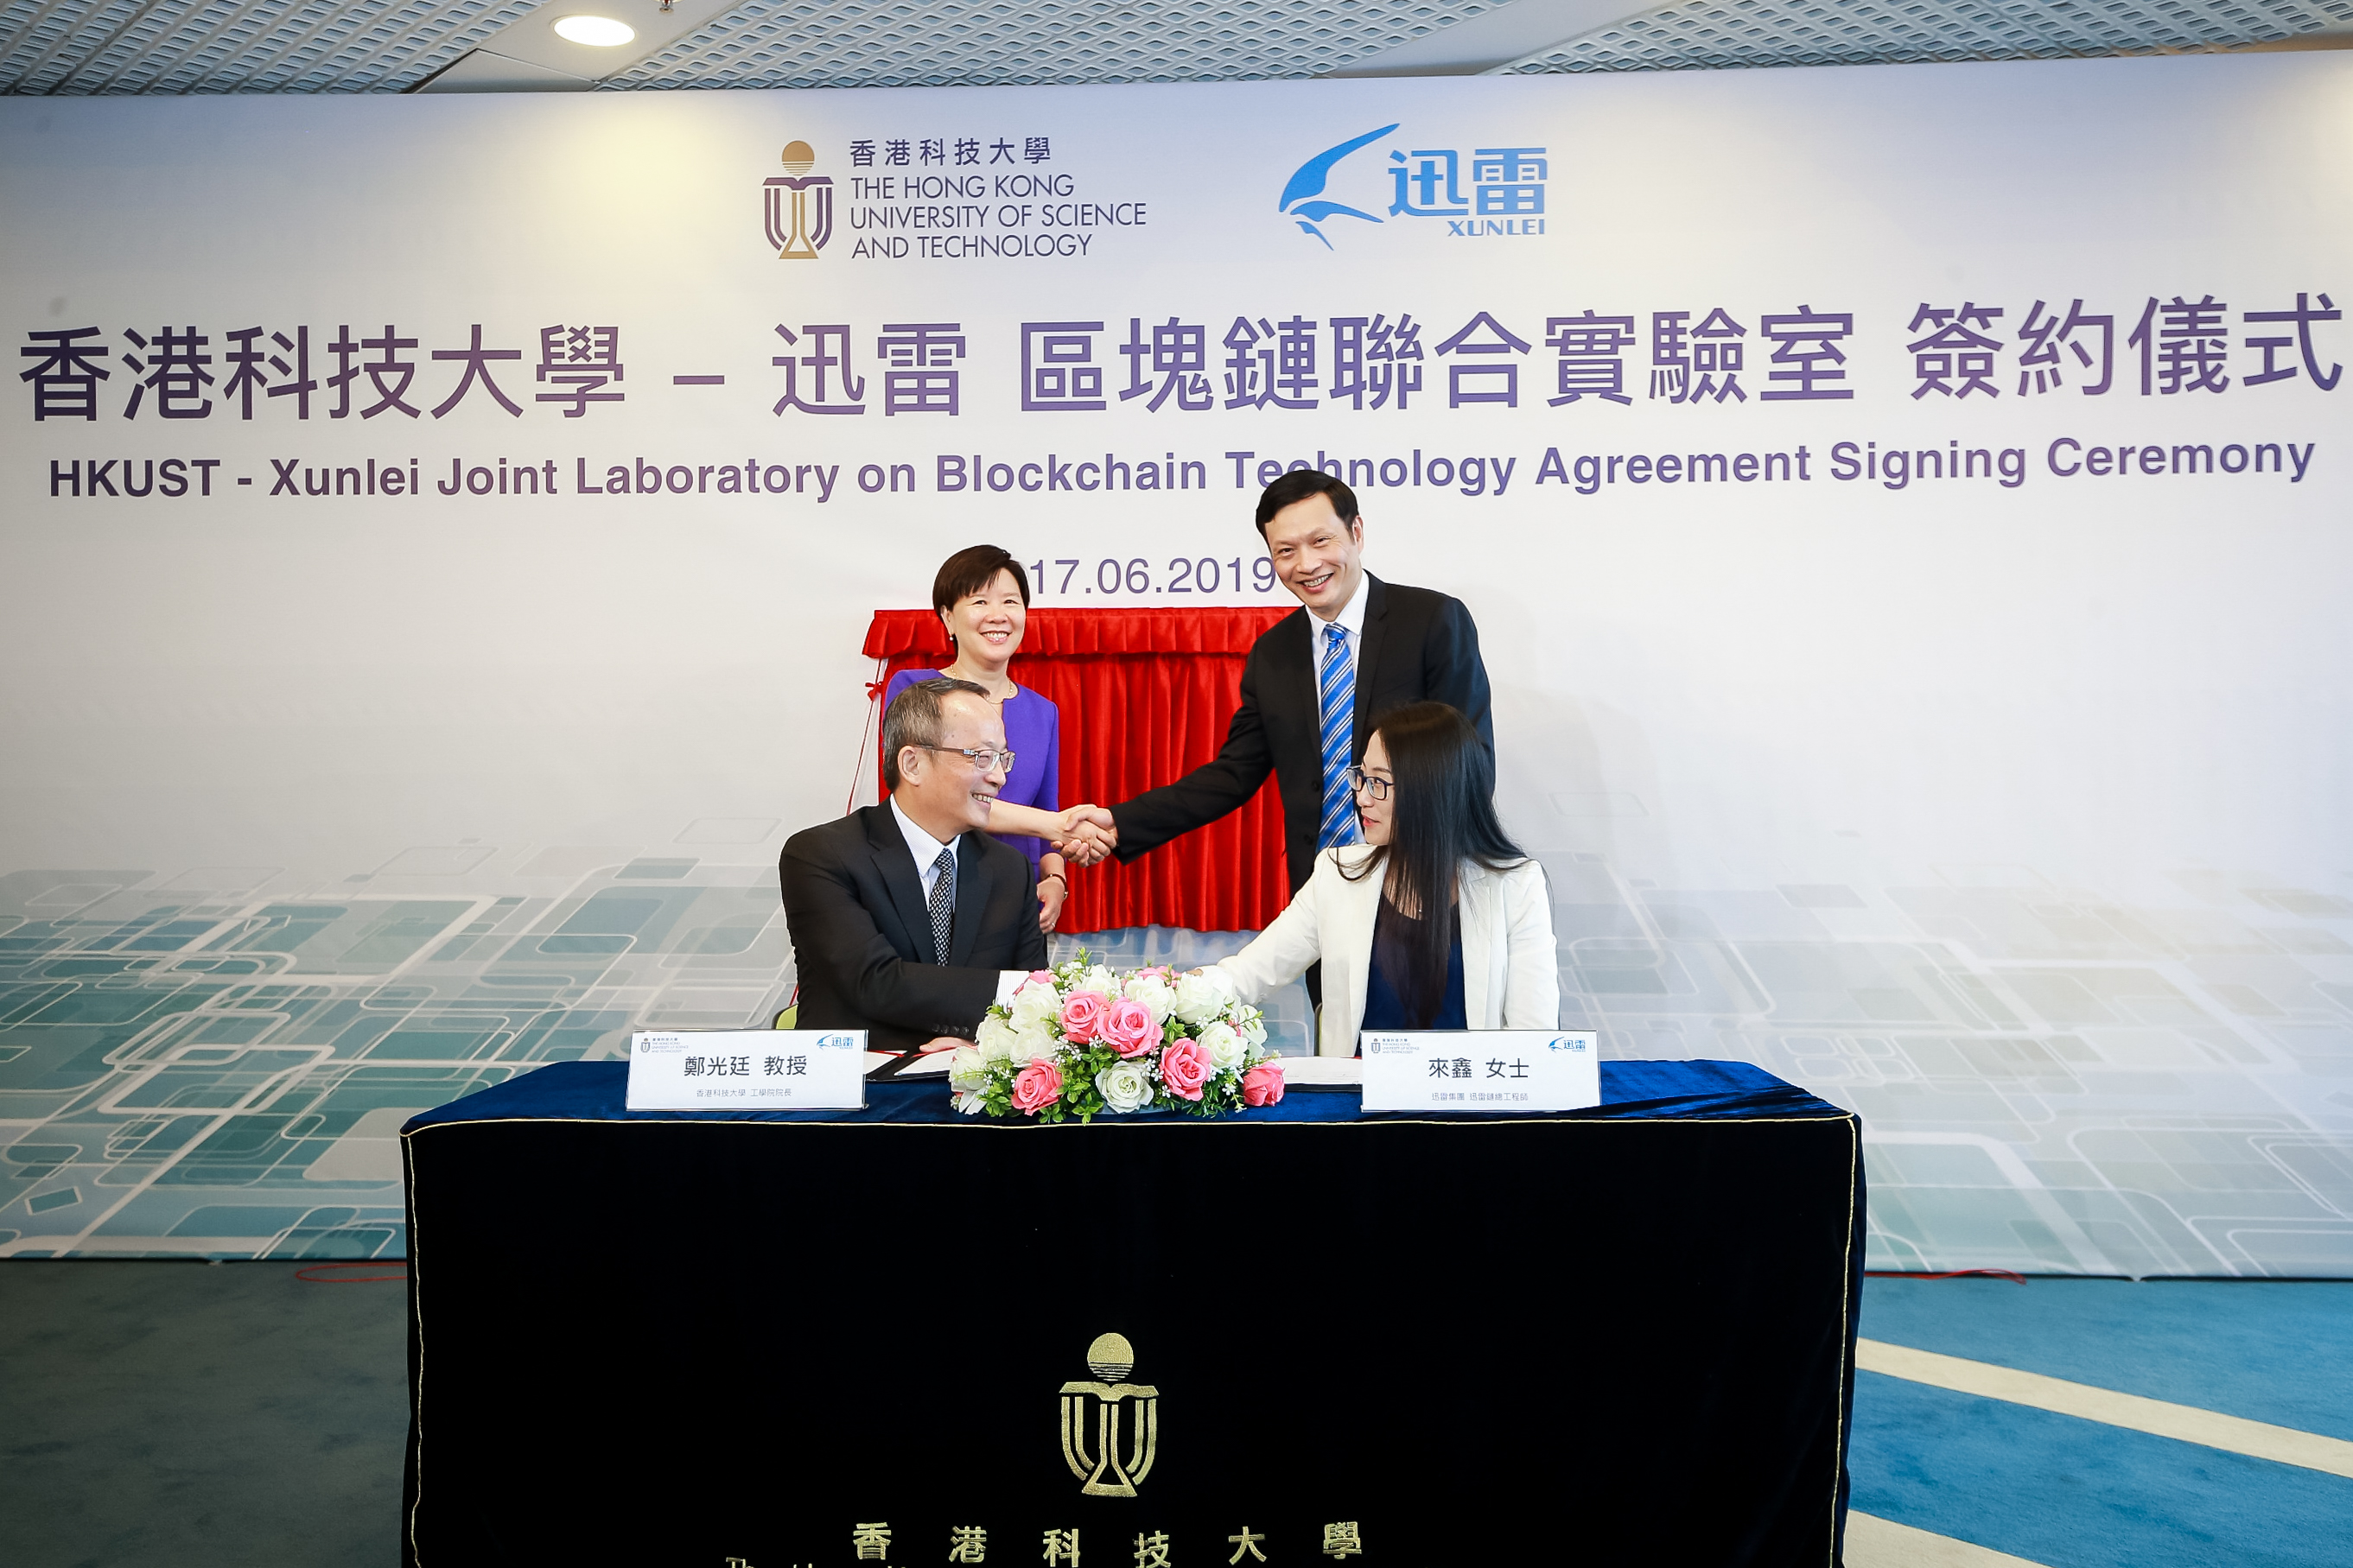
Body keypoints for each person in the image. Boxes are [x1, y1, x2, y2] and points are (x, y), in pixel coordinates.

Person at [1064, 472, 1493, 898]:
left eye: (1320, 541)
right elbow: (1233, 774)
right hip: (1321, 890)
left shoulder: (1433, 621)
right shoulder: (1273, 654)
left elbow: (1470, 760)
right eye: (1286, 551)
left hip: (1425, 881)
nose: (1306, 564)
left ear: (1356, 532)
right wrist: (1120, 822)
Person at [1211, 702, 1556, 1056]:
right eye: (1361, 777)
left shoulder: (1516, 887)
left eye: (1377, 782)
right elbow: (1249, 974)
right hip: (1356, 1102)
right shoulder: (1337, 873)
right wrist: (1166, 997)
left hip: (1468, 1102)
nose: (1360, 796)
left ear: (1429, 789)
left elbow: (1534, 1039)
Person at [780, 677, 1049, 1053]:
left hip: (972, 1086)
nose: (999, 777)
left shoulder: (1009, 869)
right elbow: (875, 982)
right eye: (981, 757)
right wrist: (1015, 991)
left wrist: (986, 1045)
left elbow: (1033, 1007)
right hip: (861, 1092)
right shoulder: (820, 855)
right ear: (913, 764)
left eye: (1003, 758)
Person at [883, 545, 1103, 933]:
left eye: (1010, 601)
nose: (998, 615)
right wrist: (1058, 825)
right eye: (980, 601)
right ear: (948, 618)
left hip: (1014, 899)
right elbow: (931, 797)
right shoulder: (913, 689)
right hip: (926, 890)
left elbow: (1047, 806)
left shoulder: (1043, 711)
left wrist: (1056, 879)